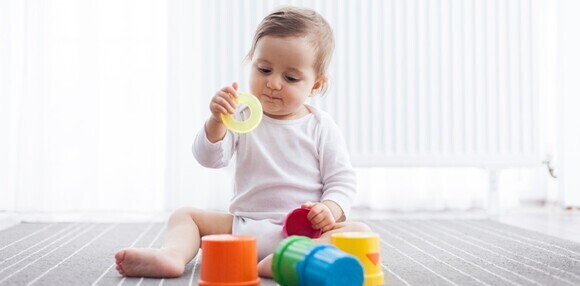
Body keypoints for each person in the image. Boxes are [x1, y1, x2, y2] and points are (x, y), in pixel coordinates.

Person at [114, 6, 370, 279]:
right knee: (185, 215)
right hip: (244, 228)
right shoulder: (240, 117)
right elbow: (209, 159)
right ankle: (172, 255)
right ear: (251, 62)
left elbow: (342, 180)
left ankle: (286, 260)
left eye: (290, 77)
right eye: (264, 69)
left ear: (316, 85)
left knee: (360, 231)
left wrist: (328, 209)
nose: (273, 83)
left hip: (302, 234)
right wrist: (217, 120)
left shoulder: (321, 126)